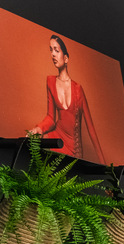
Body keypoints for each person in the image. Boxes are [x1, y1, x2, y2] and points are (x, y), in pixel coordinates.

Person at [27, 34, 105, 163]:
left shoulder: (78, 89)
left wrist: (105, 166)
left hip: (73, 148)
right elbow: (51, 118)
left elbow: (91, 129)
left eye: (56, 50)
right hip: (57, 139)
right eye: (51, 50)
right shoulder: (50, 81)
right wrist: (39, 128)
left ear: (66, 58)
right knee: (32, 145)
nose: (53, 54)